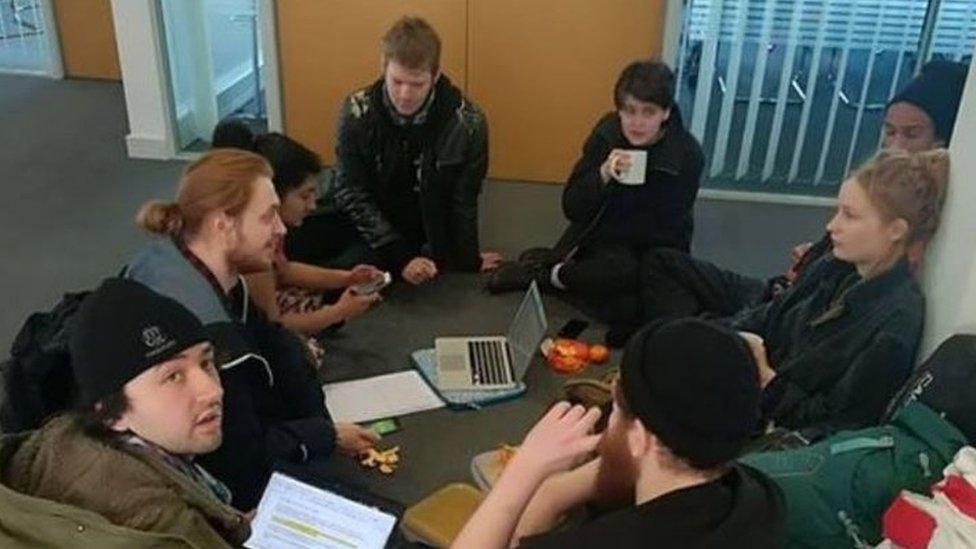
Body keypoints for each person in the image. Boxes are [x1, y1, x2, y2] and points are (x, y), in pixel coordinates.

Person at [626, 59, 968, 346]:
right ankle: (680, 337)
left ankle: (681, 341)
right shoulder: (873, 184)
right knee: (661, 264)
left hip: (785, 308)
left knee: (686, 318)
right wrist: (813, 257)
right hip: (782, 291)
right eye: (889, 131)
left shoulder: (909, 227)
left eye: (911, 134)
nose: (895, 145)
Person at [127, 149, 379, 511]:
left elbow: (277, 344)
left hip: (222, 442)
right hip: (220, 483)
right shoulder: (204, 337)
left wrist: (319, 428)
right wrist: (324, 435)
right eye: (268, 216)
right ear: (222, 225)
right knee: (363, 508)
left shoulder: (177, 258)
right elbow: (241, 463)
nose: (280, 228)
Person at [453, 318, 785, 549]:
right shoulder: (759, 497)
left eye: (617, 409)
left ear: (640, 437)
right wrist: (553, 492)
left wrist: (523, 472)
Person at [0, 278, 249, 547]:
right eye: (173, 376)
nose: (213, 391)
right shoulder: (161, 521)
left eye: (206, 363)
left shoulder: (64, 439)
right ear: (111, 414)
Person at [733, 149, 949, 441]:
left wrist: (766, 378)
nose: (832, 226)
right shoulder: (835, 267)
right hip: (746, 391)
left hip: (772, 432)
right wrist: (723, 337)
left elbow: (840, 423)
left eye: (850, 215)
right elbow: (771, 315)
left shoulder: (895, 322)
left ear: (895, 230)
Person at [487, 60, 704, 327]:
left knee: (633, 310)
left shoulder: (686, 155)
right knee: (617, 278)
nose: (637, 123)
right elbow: (572, 206)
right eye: (629, 111)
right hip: (603, 241)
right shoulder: (608, 134)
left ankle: (557, 272)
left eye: (648, 113)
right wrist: (602, 174)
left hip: (656, 248)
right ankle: (551, 275)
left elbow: (668, 227)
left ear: (666, 113)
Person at [288, 16, 500, 285]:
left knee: (351, 275)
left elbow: (464, 198)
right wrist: (400, 255)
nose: (404, 95)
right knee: (288, 244)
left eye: (416, 84)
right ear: (383, 67)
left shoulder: (468, 122)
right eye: (397, 81)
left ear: (435, 76)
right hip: (362, 217)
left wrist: (467, 258)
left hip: (421, 228)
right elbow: (351, 190)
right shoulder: (356, 111)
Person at [211, 121, 382, 337]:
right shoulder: (251, 252)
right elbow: (274, 329)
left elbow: (284, 270)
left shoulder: (270, 235)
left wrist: (348, 277)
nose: (312, 205)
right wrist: (338, 312)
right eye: (304, 195)